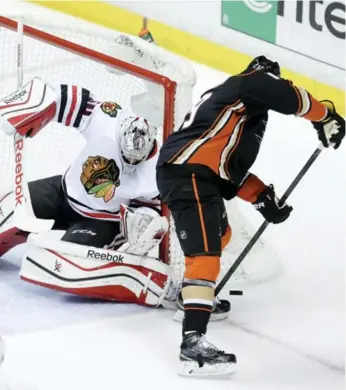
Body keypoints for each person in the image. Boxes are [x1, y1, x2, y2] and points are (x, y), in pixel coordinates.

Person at [156, 55, 345, 377]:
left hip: (193, 173)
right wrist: (325, 115)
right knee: (204, 256)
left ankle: (194, 299)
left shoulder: (231, 109)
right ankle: (193, 346)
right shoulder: (248, 83)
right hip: (188, 174)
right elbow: (287, 96)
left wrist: (261, 197)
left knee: (217, 238)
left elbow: (228, 169)